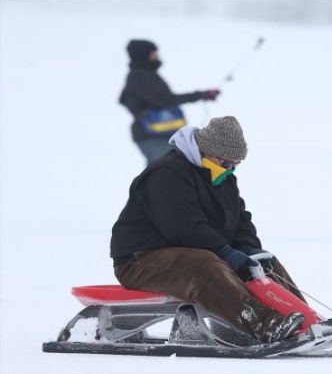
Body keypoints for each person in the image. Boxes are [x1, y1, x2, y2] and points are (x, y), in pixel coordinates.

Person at [110, 116, 306, 345]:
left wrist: (249, 249)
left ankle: (304, 322)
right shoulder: (166, 174)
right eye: (225, 162)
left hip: (200, 252)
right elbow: (182, 226)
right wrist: (225, 252)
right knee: (204, 266)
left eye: (235, 164)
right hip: (140, 261)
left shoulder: (222, 176)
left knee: (265, 262)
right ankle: (265, 325)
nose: (229, 169)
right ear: (205, 151)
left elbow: (240, 218)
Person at [119, 39, 221, 165]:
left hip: (159, 134)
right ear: (144, 55)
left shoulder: (144, 74)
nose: (157, 55)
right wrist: (200, 95)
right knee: (163, 171)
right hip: (152, 135)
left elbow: (124, 98)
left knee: (169, 170)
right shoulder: (140, 75)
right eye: (153, 53)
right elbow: (165, 100)